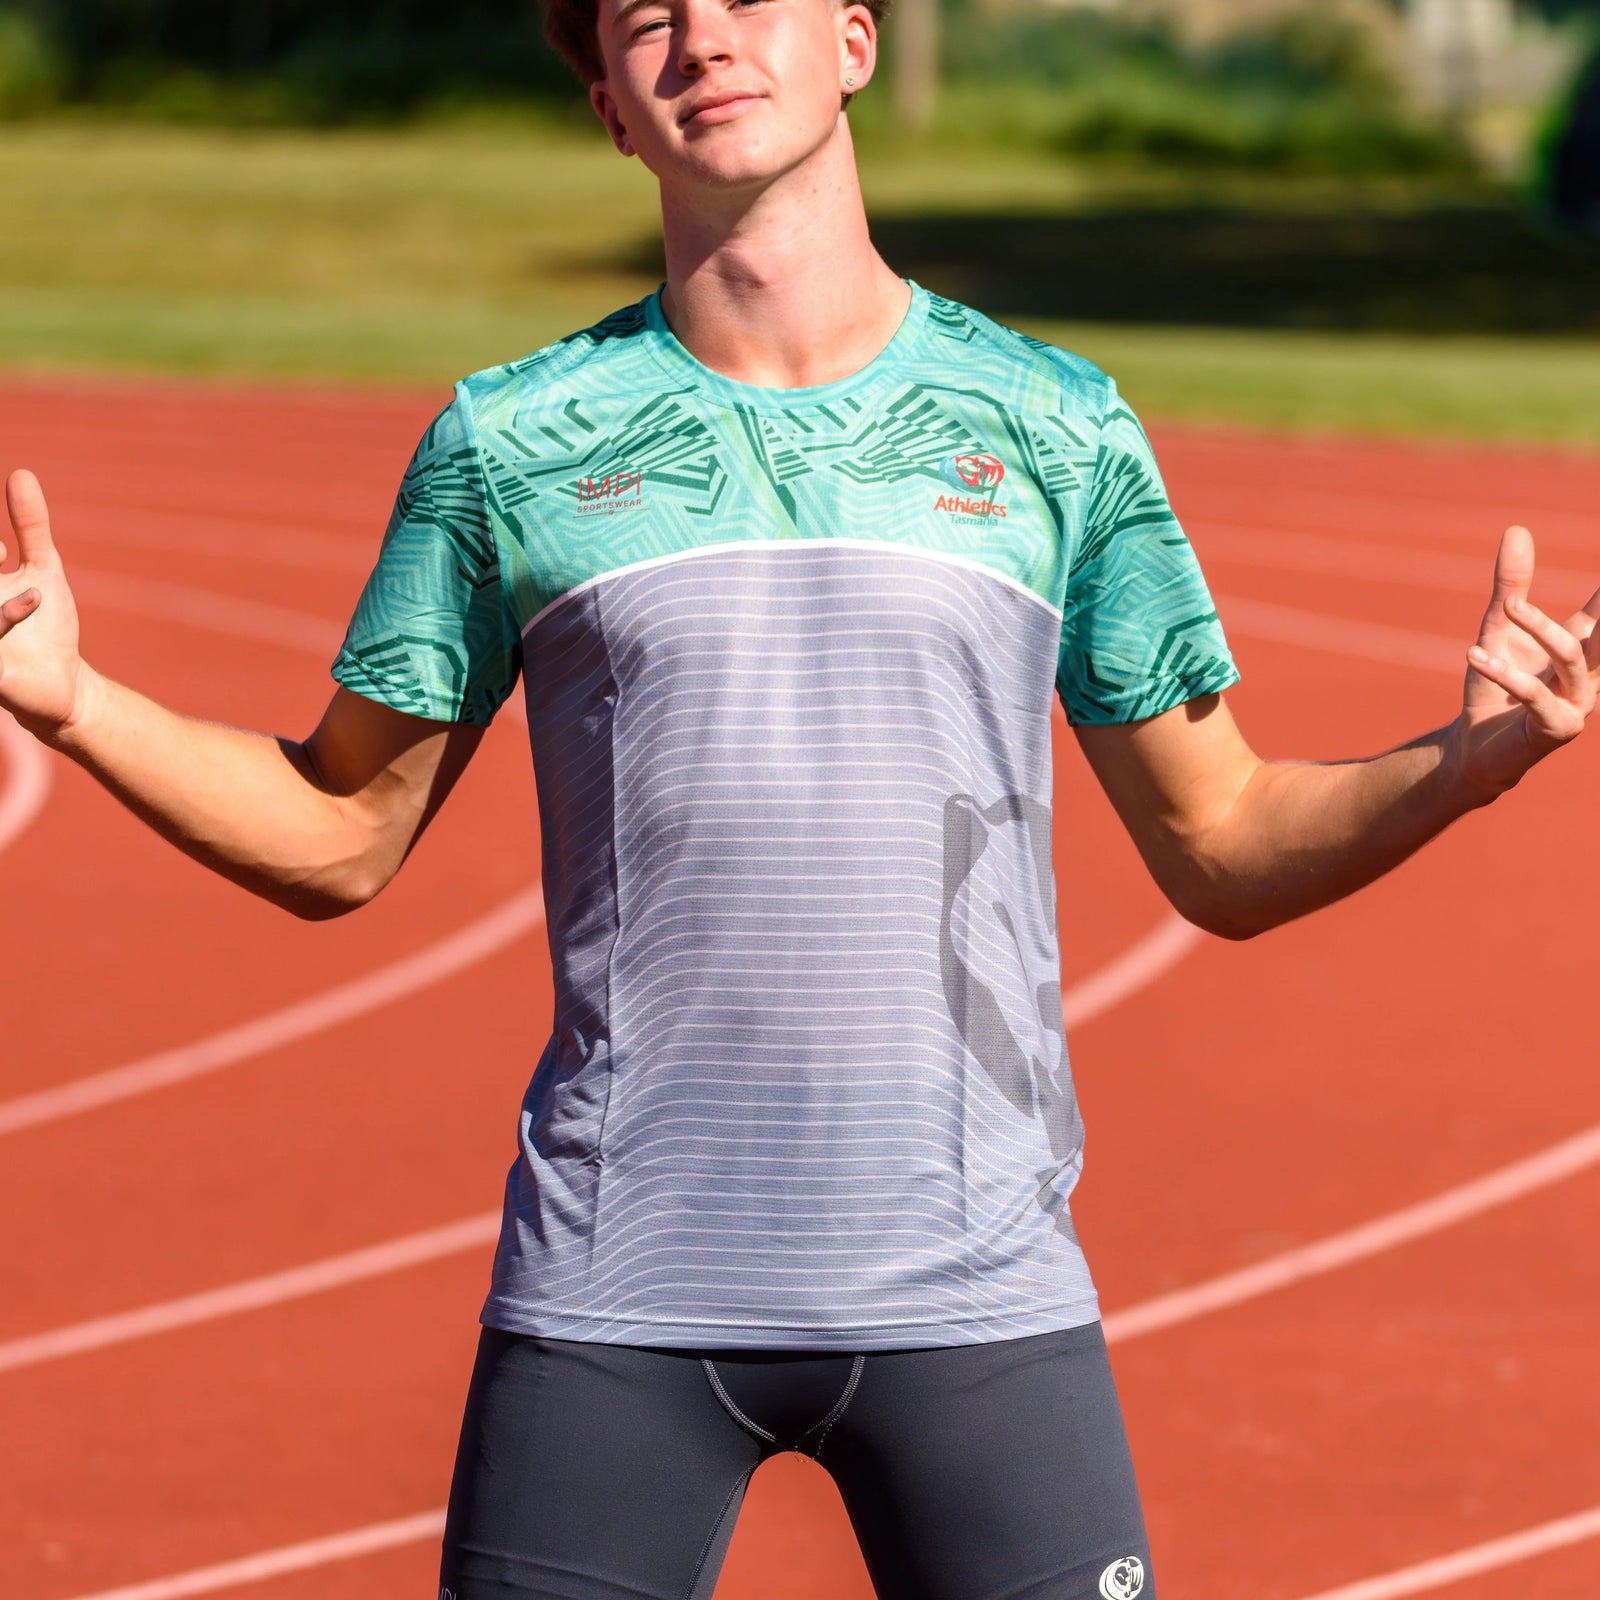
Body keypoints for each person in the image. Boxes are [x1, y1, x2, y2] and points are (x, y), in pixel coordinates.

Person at [2, 0, 1596, 1594]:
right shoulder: (513, 445)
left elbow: (1221, 842)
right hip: (614, 1299)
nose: (704, 37)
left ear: (853, 40)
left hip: (977, 1296)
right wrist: (76, 703)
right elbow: (340, 832)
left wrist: (1458, 769)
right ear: (611, 107)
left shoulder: (1056, 429)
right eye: (647, 18)